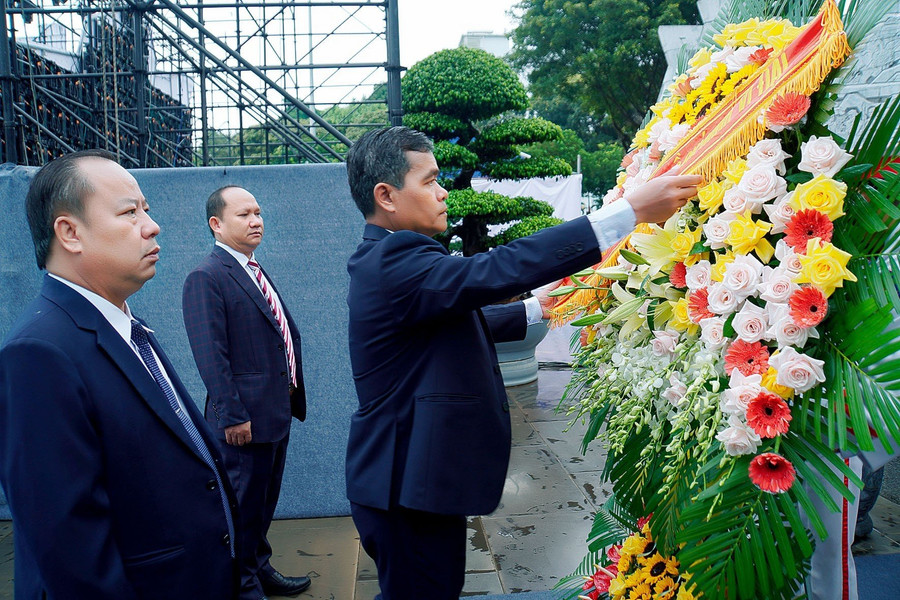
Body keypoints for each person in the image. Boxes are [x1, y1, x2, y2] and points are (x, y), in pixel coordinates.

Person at [343, 126, 702, 599]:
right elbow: (493, 269)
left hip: (408, 480)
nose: (443, 192)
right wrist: (627, 212)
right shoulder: (394, 257)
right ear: (386, 196)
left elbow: (443, 322)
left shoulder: (386, 257)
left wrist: (538, 309)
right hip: (404, 487)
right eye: (429, 181)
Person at [0, 150, 238, 599]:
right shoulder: (38, 354)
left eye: (146, 210)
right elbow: (73, 555)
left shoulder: (123, 326)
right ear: (70, 233)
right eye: (130, 213)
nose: (152, 226)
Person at [182, 185, 310, 599]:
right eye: (244, 215)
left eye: (258, 212)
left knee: (261, 505)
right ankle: (241, 586)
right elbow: (210, 355)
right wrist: (233, 414)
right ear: (216, 224)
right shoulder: (206, 277)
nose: (256, 221)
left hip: (274, 413)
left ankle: (258, 568)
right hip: (243, 423)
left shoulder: (252, 268)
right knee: (239, 510)